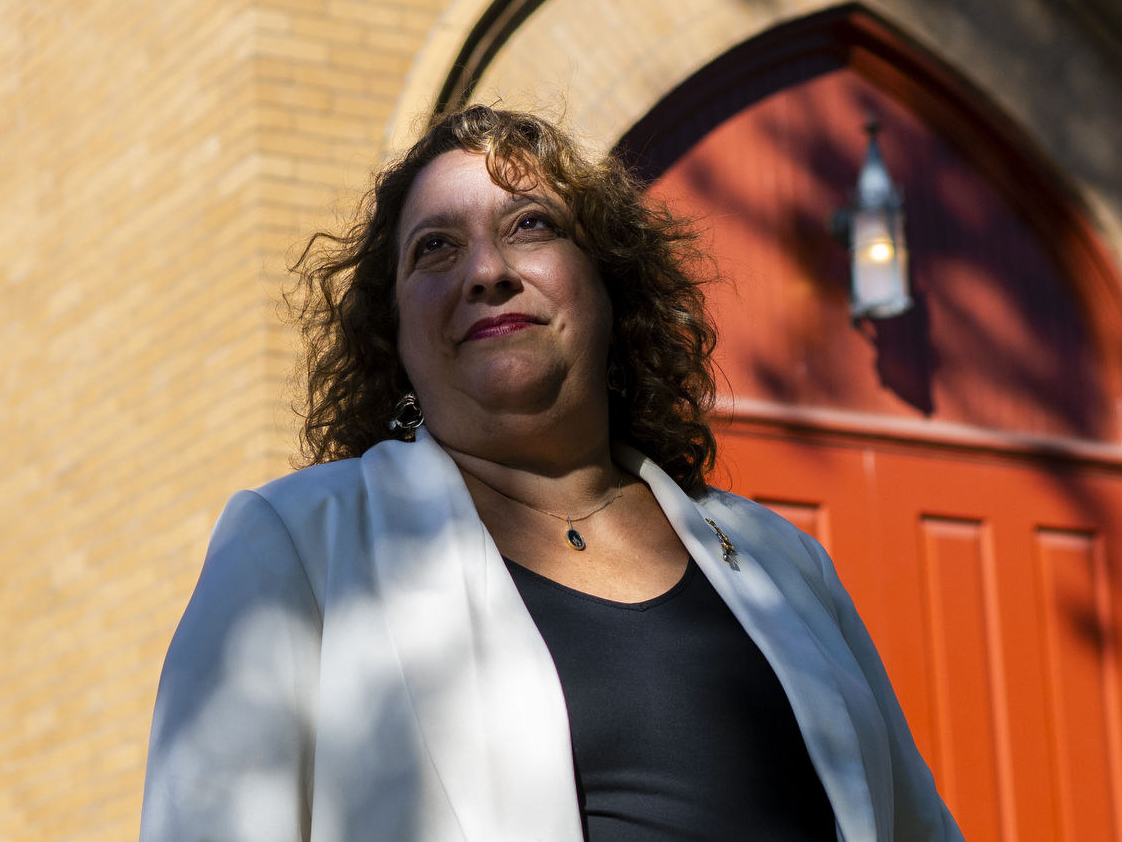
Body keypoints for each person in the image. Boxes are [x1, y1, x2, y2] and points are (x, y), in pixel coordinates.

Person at [139, 104, 965, 842]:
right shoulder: (298, 546)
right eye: (435, 248)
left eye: (530, 225)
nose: (487, 271)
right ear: (392, 336)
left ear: (611, 289)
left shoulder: (783, 561)